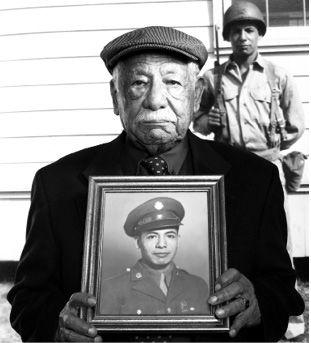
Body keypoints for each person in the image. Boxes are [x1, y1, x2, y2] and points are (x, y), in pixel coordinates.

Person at [8, 25, 304, 342]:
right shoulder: (57, 184)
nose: (155, 101)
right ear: (115, 96)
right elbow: (28, 299)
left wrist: (256, 302)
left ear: (198, 94)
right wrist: (57, 329)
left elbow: (281, 288)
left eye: (173, 82)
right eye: (138, 83)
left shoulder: (256, 179)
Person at [192, 2, 305, 339]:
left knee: (277, 245)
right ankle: (231, 304)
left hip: (267, 167)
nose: (243, 37)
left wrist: (284, 132)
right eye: (236, 31)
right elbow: (194, 119)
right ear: (227, 38)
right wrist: (204, 121)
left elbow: (297, 123)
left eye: (250, 30)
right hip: (229, 172)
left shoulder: (277, 76)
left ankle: (289, 314)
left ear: (259, 35)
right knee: (232, 241)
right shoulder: (212, 78)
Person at [100, 197, 209, 315]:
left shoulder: (197, 285)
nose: (162, 244)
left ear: (178, 240)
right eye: (152, 236)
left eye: (170, 236)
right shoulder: (112, 288)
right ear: (138, 242)